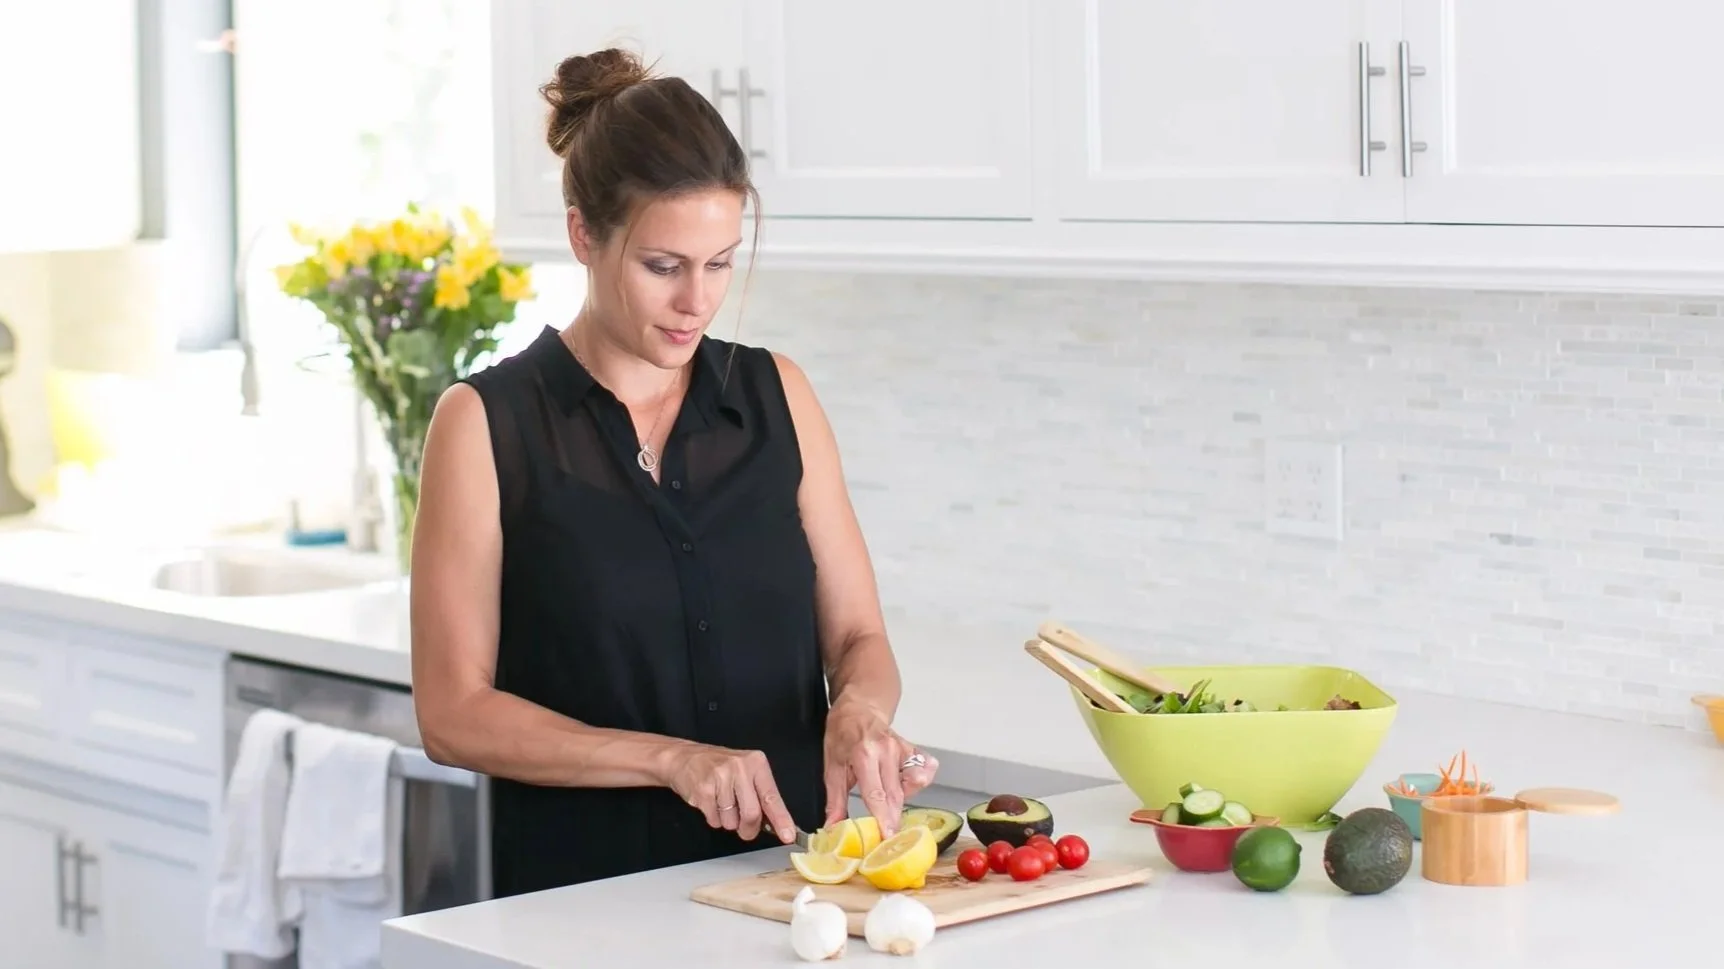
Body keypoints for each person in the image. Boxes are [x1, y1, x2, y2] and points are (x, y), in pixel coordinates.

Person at [407, 47, 939, 898]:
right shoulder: (484, 425)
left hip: (789, 895)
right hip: (580, 905)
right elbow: (451, 712)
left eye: (721, 261)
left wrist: (859, 714)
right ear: (584, 234)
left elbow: (857, 640)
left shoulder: (779, 397)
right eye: (664, 266)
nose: (699, 299)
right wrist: (669, 761)